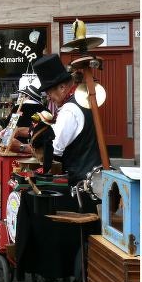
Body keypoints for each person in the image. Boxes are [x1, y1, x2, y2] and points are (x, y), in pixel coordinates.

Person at [16, 53, 101, 185]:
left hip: (78, 181)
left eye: (49, 93)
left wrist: (20, 147)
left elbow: (54, 149)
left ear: (62, 88)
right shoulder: (75, 103)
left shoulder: (69, 110)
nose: (48, 98)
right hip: (84, 175)